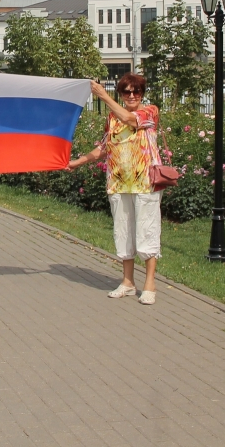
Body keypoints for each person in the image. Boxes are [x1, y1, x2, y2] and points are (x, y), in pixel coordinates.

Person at [67, 73, 163, 304]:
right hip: (119, 182)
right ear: (120, 93)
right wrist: (76, 162)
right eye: (127, 92)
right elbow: (103, 147)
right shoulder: (112, 118)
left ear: (142, 93)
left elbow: (131, 119)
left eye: (136, 91)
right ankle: (127, 282)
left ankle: (149, 284)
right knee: (123, 231)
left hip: (145, 183)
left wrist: (102, 95)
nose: (132, 95)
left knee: (147, 230)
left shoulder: (150, 111)